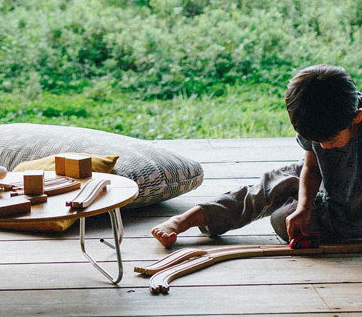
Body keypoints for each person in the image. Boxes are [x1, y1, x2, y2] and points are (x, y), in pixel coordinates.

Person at [152, 65, 362, 247]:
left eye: (331, 141)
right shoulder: (315, 116)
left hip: (353, 211)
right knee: (271, 186)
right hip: (327, 185)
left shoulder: (342, 115)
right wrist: (304, 208)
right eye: (316, 142)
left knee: (282, 220)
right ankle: (185, 220)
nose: (324, 147)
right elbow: (313, 166)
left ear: (357, 117)